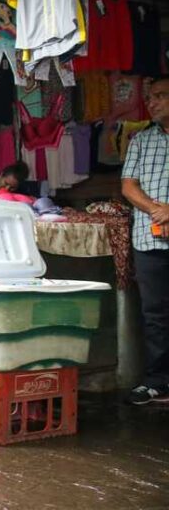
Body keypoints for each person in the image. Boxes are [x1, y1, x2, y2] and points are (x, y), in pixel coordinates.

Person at [121, 76, 169, 406]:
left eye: (161, 96)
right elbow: (128, 186)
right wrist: (156, 209)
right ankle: (158, 382)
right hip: (149, 240)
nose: (152, 102)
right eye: (150, 97)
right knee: (155, 314)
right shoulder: (141, 140)